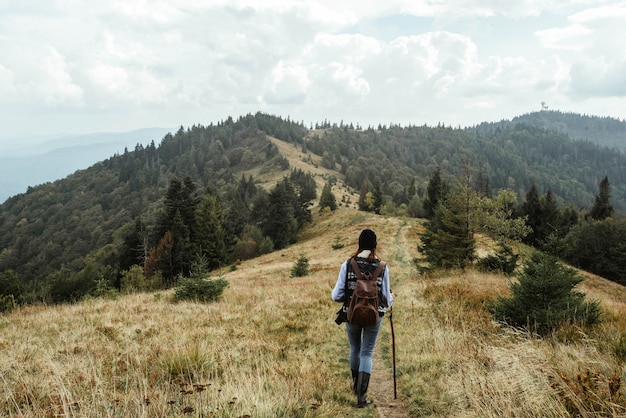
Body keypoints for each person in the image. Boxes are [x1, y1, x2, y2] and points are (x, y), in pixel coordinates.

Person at [331, 228, 394, 407]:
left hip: (352, 315)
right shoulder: (382, 267)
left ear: (359, 244)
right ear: (375, 245)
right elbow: (386, 300)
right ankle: (362, 396)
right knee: (367, 352)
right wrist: (392, 297)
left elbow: (336, 296)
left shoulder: (348, 264)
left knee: (354, 349)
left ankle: (355, 386)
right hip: (375, 316)